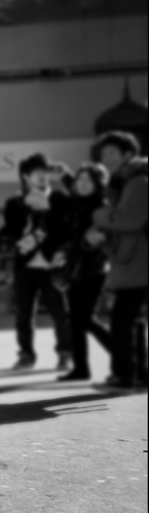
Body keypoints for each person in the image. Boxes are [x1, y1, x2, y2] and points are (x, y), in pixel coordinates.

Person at [90, 131, 148, 392]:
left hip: (138, 263)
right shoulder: (125, 180)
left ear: (128, 154)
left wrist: (100, 214)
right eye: (103, 154)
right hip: (133, 262)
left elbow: (127, 220)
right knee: (133, 322)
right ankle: (137, 376)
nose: (106, 159)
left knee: (122, 321)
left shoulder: (137, 182)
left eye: (112, 153)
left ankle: (125, 377)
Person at [3, 153, 73, 371]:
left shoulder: (59, 199)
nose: (43, 177)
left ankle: (65, 354)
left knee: (61, 314)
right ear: (25, 176)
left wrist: (67, 178)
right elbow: (10, 233)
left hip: (53, 266)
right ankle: (26, 355)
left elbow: (70, 228)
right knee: (24, 315)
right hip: (25, 267)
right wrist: (28, 211)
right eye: (37, 173)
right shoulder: (14, 203)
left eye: (46, 172)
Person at [56, 163, 111, 381]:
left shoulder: (102, 207)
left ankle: (126, 358)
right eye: (80, 180)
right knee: (74, 320)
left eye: (89, 180)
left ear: (98, 184)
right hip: (73, 269)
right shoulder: (76, 203)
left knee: (85, 319)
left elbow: (98, 241)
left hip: (94, 270)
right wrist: (66, 176)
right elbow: (74, 187)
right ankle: (81, 369)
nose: (83, 184)